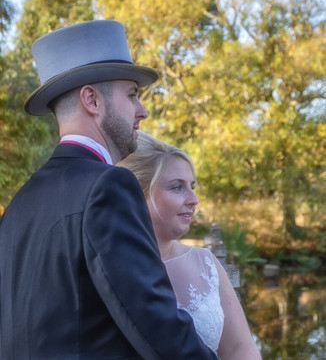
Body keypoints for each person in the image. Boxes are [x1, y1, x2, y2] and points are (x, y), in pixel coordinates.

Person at [0, 20, 218, 359]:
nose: (141, 111)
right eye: (131, 95)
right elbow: (156, 324)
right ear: (92, 99)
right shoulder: (108, 187)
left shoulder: (19, 204)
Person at [118, 131, 262, 360]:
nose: (193, 199)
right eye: (177, 187)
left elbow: (240, 349)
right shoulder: (108, 266)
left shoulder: (206, 263)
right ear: (137, 193)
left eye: (192, 186)